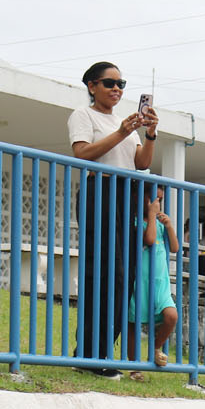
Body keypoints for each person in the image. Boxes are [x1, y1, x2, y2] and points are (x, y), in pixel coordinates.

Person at [69, 60, 157, 380]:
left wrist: (149, 133)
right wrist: (122, 132)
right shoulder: (84, 115)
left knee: (125, 278)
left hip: (127, 196)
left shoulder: (125, 123)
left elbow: (142, 163)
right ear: (92, 86)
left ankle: (103, 351)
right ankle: (89, 353)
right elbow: (82, 153)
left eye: (122, 84)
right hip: (99, 191)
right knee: (103, 274)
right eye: (110, 83)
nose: (117, 89)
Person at [134, 185, 179, 368]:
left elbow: (175, 248)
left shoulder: (160, 225)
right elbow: (150, 239)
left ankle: (155, 348)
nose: (156, 204)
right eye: (153, 199)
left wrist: (168, 226)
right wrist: (152, 216)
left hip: (160, 282)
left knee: (171, 316)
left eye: (160, 200)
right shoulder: (138, 222)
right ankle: (133, 365)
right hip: (141, 281)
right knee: (133, 322)